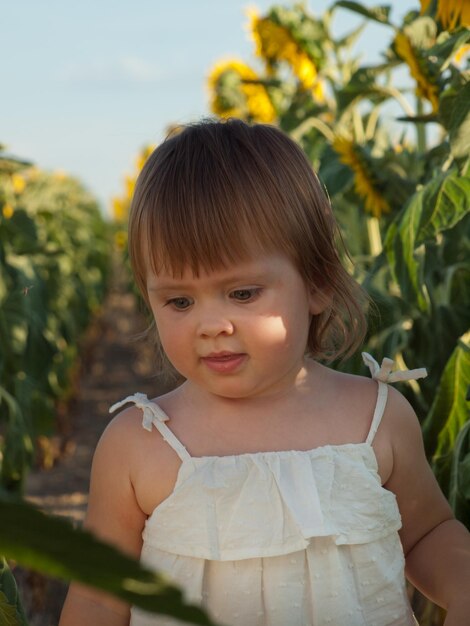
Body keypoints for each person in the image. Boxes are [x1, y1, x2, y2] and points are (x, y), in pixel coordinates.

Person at [59, 118, 470, 626]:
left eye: (243, 294)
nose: (211, 325)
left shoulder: (376, 420)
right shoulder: (139, 445)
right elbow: (99, 596)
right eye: (179, 301)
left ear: (317, 282)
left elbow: (428, 534)